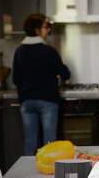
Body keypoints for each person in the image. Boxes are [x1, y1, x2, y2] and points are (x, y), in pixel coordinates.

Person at [12, 13, 70, 156]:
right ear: (37, 30)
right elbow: (66, 75)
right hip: (48, 101)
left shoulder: (19, 51)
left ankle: (29, 175)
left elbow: (15, 79)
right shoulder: (49, 51)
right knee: (49, 144)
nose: (48, 30)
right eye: (46, 27)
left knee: (30, 143)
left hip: (27, 102)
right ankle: (49, 177)